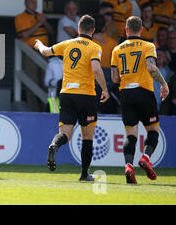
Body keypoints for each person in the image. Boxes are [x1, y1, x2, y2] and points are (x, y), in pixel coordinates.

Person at [34, 15, 110, 182]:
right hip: (86, 95)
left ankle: (55, 145)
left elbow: (46, 52)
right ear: (93, 30)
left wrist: (39, 44)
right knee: (87, 137)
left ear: (78, 28)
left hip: (67, 93)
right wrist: (105, 89)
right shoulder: (94, 46)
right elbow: (96, 69)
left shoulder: (68, 43)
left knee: (65, 134)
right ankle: (84, 174)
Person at [111, 16, 169, 184]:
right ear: (141, 30)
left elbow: (115, 78)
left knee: (131, 133)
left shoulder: (117, 49)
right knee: (153, 130)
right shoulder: (148, 46)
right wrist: (164, 84)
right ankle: (145, 157)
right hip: (144, 92)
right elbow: (151, 67)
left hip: (126, 94)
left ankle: (128, 166)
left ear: (126, 30)